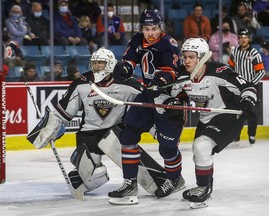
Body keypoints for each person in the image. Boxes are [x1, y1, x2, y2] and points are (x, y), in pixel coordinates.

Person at [27, 47, 144, 199]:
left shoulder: (126, 82)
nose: (97, 67)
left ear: (109, 65)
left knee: (133, 162)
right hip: (88, 133)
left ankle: (141, 181)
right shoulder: (82, 83)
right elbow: (64, 111)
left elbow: (146, 103)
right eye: (95, 63)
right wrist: (51, 127)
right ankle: (82, 177)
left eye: (101, 63)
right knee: (94, 175)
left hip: (116, 132)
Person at [166, 37, 258, 209]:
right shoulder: (182, 74)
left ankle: (203, 188)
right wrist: (172, 101)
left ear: (202, 58)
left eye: (191, 57)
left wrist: (248, 102)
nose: (186, 60)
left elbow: (248, 87)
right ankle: (205, 186)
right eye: (184, 56)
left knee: (202, 146)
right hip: (206, 117)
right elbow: (172, 93)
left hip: (228, 116)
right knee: (198, 152)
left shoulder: (219, 71)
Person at [108, 9, 186, 204]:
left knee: (167, 149)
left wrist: (160, 80)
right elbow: (129, 59)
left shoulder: (169, 44)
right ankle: (130, 183)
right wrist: (124, 68)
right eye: (146, 29)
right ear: (141, 28)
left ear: (160, 28)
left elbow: (172, 71)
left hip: (169, 99)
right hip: (148, 95)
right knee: (128, 136)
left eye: (154, 29)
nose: (150, 33)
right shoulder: (137, 39)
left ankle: (174, 179)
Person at [228, 28, 265, 144]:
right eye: (241, 37)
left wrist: (251, 84)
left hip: (251, 87)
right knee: (236, 112)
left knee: (252, 111)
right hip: (238, 88)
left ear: (249, 38)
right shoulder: (234, 52)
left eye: (245, 37)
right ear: (238, 39)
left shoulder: (254, 53)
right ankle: (236, 135)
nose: (243, 40)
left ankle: (252, 134)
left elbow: (261, 72)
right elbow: (230, 69)